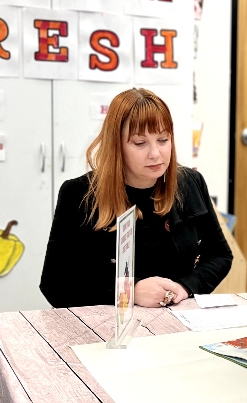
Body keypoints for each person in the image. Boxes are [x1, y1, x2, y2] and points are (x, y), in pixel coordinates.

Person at [40, 88, 233, 308]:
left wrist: (185, 286)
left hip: (177, 320)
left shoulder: (190, 183)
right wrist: (127, 292)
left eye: (163, 140)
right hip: (108, 327)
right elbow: (54, 284)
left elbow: (220, 256)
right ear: (117, 146)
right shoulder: (79, 194)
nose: (155, 153)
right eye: (140, 143)